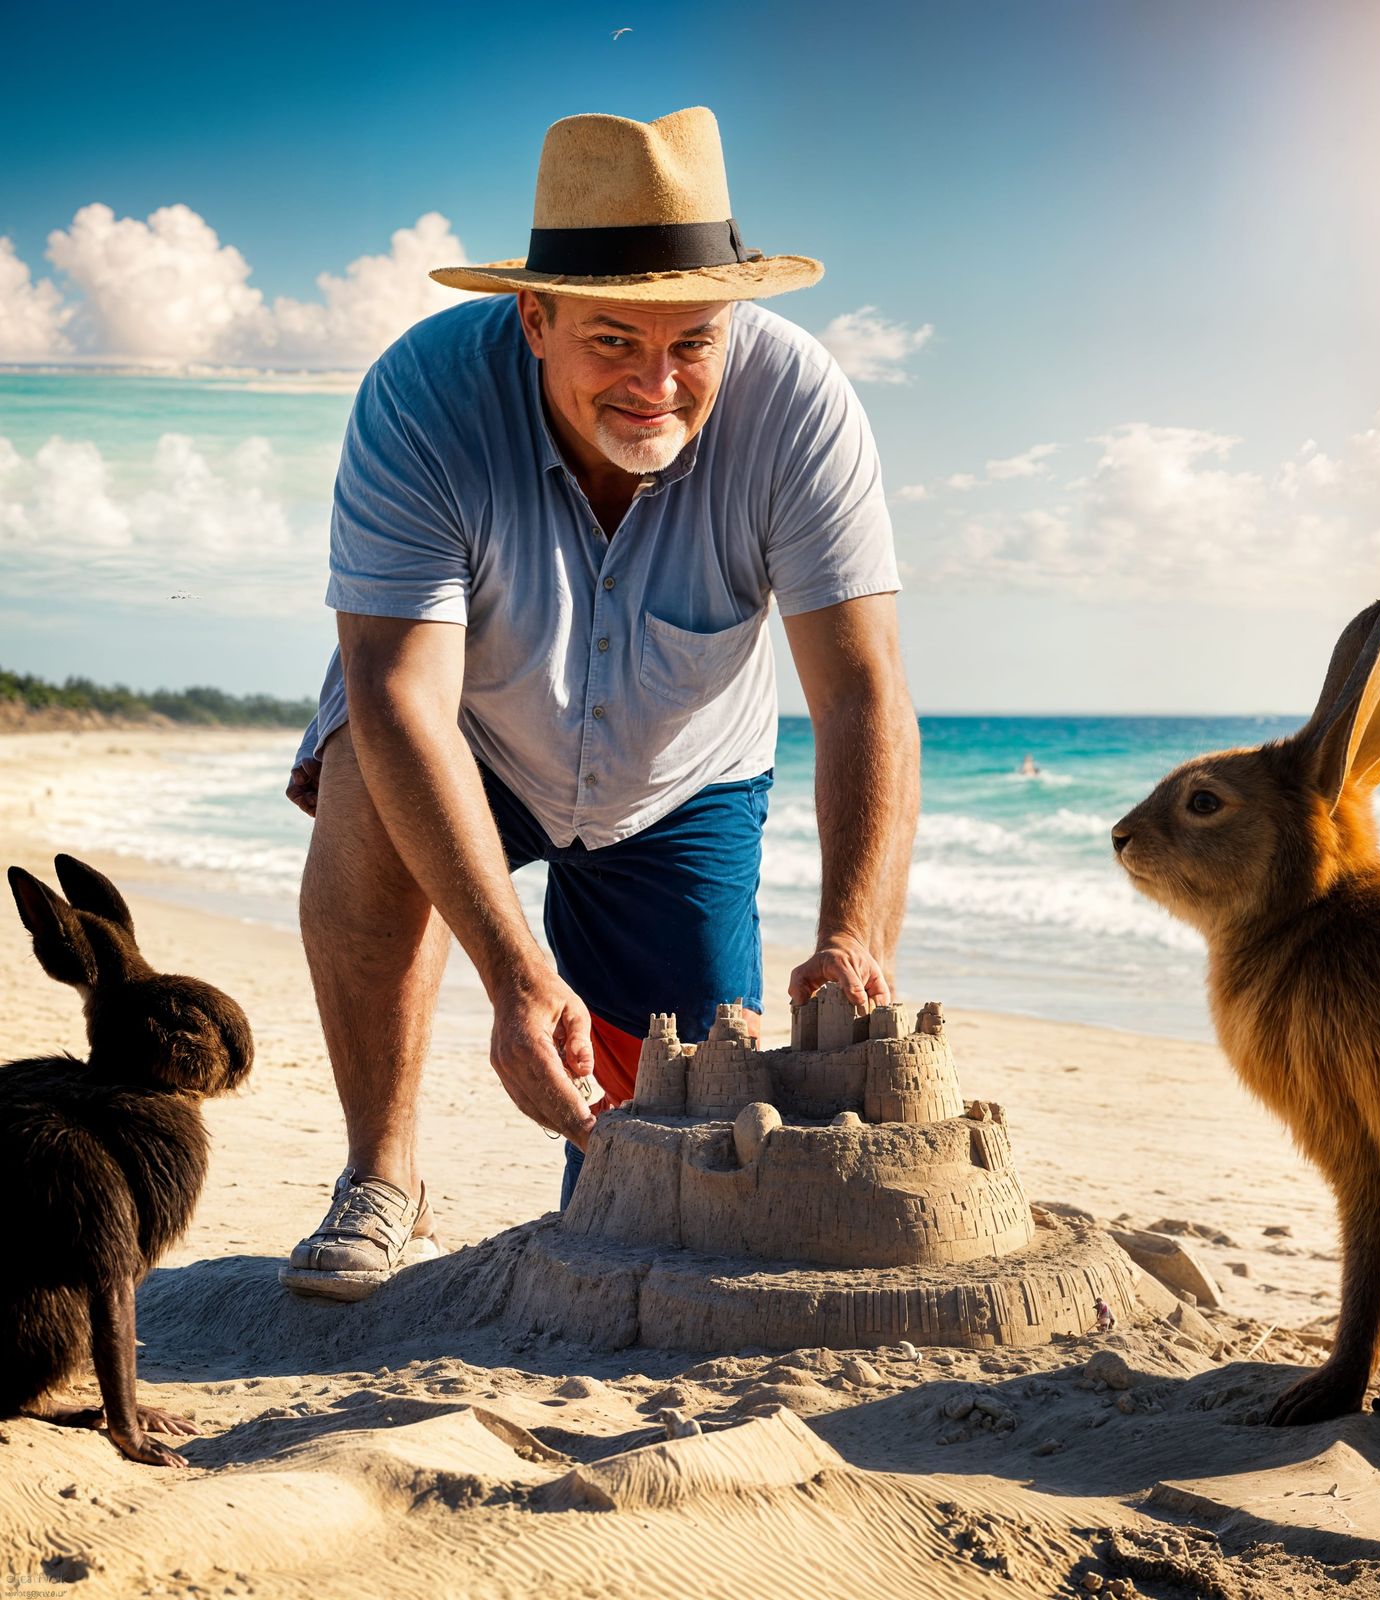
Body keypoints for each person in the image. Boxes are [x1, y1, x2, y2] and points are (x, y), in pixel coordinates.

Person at [277, 106, 920, 1301]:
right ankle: (381, 1174)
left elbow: (863, 690)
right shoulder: (420, 397)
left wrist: (852, 939)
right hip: (463, 736)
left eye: (693, 342)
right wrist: (514, 975)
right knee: (366, 774)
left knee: (669, 1164)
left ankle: (601, 1204)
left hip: (683, 778)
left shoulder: (803, 407)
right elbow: (399, 693)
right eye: (614, 340)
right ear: (535, 317)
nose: (656, 384)